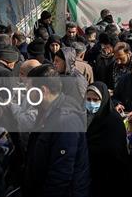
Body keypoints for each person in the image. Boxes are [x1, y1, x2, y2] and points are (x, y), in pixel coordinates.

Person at [24, 65, 89, 197]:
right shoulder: (46, 111)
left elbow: (61, 173)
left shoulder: (65, 121)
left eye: (29, 90)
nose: (26, 94)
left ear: (43, 90)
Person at [85, 82, 131, 197]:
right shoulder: (84, 115)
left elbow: (116, 152)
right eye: (88, 99)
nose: (91, 103)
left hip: (108, 175)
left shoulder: (114, 121)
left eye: (95, 100)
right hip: (87, 173)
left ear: (104, 99)